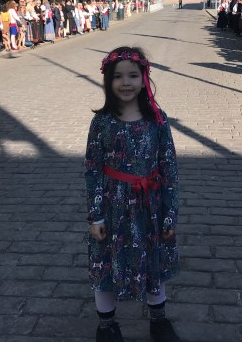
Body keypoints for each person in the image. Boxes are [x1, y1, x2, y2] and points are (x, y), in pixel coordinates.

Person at [84, 47, 180, 342]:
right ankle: (106, 325)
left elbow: (169, 167)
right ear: (108, 81)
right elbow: (93, 169)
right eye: (118, 77)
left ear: (144, 78)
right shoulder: (102, 122)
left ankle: (158, 320)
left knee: (153, 262)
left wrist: (170, 213)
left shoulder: (157, 120)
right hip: (112, 206)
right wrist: (96, 216)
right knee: (105, 264)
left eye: (133, 76)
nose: (125, 82)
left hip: (149, 207)